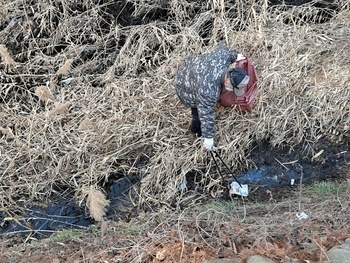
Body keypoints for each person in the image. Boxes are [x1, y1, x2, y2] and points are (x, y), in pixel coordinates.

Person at [175, 43, 250, 151]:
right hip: (183, 83)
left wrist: (235, 56)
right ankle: (196, 129)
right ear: (227, 80)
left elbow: (222, 47)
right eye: (233, 88)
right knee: (198, 108)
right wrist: (209, 139)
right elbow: (206, 114)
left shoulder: (222, 57)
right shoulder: (209, 92)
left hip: (191, 63)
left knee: (204, 100)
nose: (233, 91)